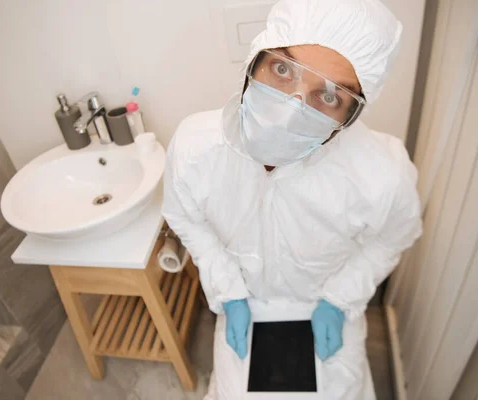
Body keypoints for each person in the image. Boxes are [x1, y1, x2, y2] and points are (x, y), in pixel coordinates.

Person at [162, 0, 423, 398]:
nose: (291, 111)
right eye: (283, 69)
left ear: (350, 116)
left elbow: (392, 237)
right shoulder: (196, 148)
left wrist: (340, 299)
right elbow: (186, 218)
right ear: (255, 60)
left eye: (330, 96)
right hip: (246, 299)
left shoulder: (381, 174)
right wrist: (228, 290)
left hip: (322, 300)